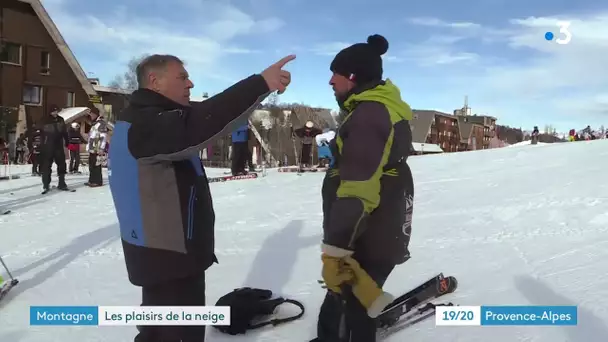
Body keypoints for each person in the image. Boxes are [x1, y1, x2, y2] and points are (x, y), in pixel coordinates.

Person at [107, 53, 294, 342]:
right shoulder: (147, 123)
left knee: (159, 331)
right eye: (182, 77)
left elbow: (211, 118)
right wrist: (260, 83)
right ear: (154, 82)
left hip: (166, 252)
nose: (190, 83)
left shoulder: (153, 118)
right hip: (168, 256)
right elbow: (201, 123)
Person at [314, 34, 415, 342]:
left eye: (337, 74)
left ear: (354, 78)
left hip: (367, 233)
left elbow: (358, 188)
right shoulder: (376, 109)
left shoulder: (370, 115)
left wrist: (335, 252)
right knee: (345, 305)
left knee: (352, 310)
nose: (331, 81)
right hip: (377, 230)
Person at [39, 105, 70, 192]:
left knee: (61, 164)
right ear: (50, 112)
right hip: (47, 146)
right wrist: (39, 144)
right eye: (53, 111)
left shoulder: (60, 119)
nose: (55, 113)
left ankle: (62, 183)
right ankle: (46, 184)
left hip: (58, 145)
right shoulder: (44, 120)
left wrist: (67, 140)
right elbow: (38, 132)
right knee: (46, 166)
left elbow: (64, 131)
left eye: (56, 111)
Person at [85, 108, 109, 187]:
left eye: (92, 114)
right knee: (91, 164)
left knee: (96, 165)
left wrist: (102, 148)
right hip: (92, 148)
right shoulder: (94, 123)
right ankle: (91, 180)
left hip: (97, 148)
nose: (90, 115)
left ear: (96, 114)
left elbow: (103, 136)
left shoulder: (101, 123)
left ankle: (97, 181)